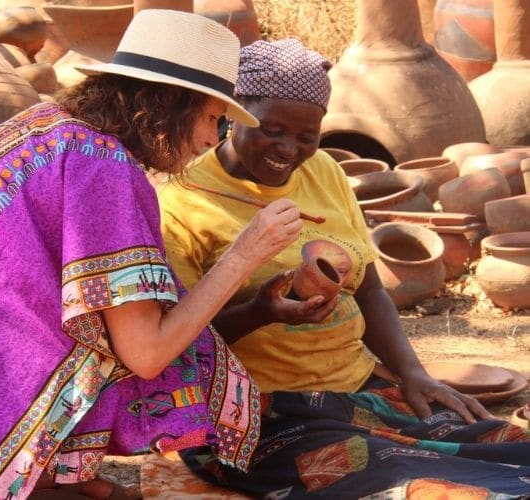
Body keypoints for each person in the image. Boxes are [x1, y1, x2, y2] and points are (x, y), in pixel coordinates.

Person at [0, 11, 308, 499]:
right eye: (212, 118)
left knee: (96, 315)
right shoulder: (103, 167)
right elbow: (146, 353)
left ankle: (51, 480)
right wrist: (245, 254)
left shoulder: (43, 125)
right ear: (170, 106)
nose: (213, 138)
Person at [157, 38, 530, 498]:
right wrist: (260, 312)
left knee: (505, 447)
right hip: (254, 414)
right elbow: (177, 345)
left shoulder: (326, 173)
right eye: (272, 129)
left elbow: (370, 290)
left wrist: (412, 373)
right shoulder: (182, 203)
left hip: (356, 389)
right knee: (417, 483)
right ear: (235, 113)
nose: (288, 149)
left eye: (305, 136)